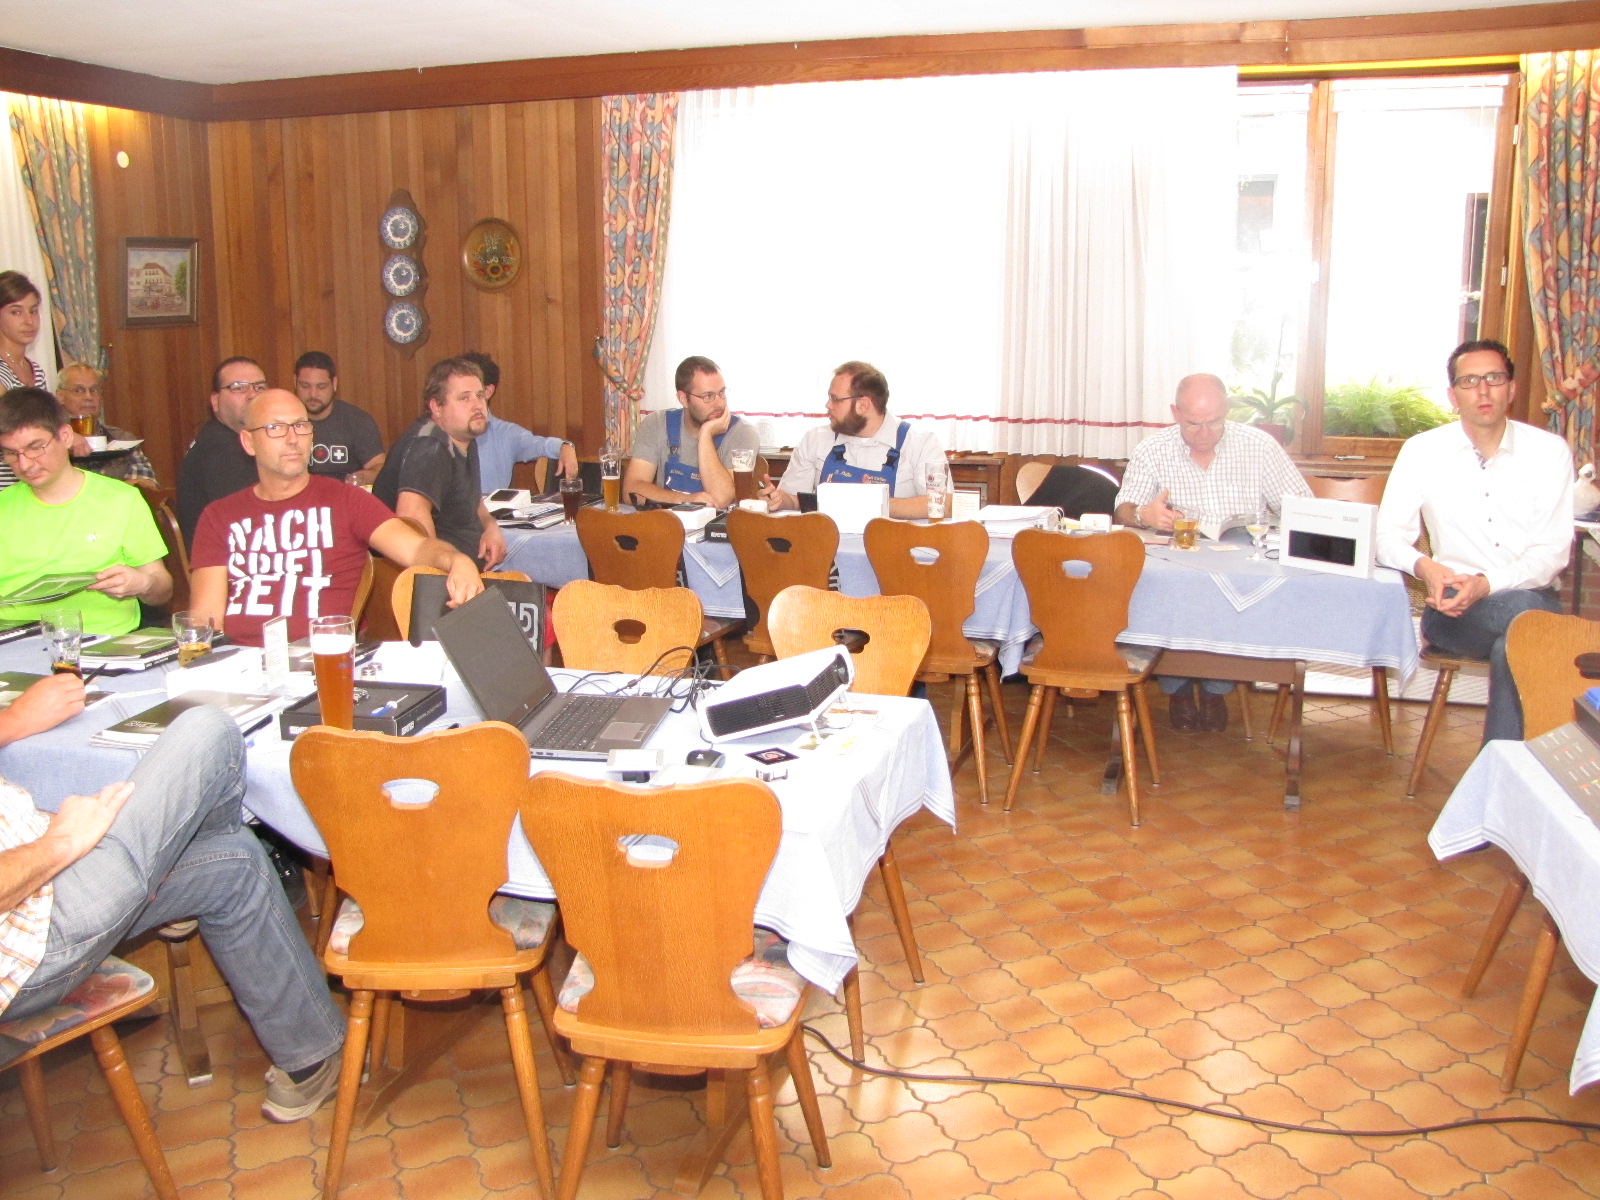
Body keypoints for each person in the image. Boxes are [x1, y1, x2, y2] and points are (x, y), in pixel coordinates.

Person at [0, 680, 345, 1121]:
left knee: (233, 862)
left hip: (32, 888)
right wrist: (61, 843)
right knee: (208, 726)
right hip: (33, 936)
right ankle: (166, 859)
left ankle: (311, 1059)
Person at [1377, 338, 1573, 743]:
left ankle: (1495, 769)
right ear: (1453, 396)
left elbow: (1552, 553)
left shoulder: (1549, 452)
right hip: (1452, 611)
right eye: (1469, 381)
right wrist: (1426, 568)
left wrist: (1486, 584)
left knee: (1515, 639)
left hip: (1529, 598)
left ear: (1511, 388)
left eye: (1494, 378)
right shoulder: (1422, 451)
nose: (1483, 391)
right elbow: (1386, 537)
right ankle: (1511, 770)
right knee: (1531, 624)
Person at [189, 390, 484, 645]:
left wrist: (457, 560)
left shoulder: (346, 501)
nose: (293, 439)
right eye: (275, 428)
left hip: (324, 661)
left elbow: (417, 548)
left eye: (301, 426)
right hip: (241, 662)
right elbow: (205, 621)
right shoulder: (219, 517)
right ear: (248, 442)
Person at [1114, 372, 1312, 733]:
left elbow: (1301, 506)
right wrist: (1144, 515)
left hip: (1239, 565)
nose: (1204, 433)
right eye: (1193, 424)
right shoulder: (1152, 449)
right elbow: (1123, 509)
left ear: (1228, 410)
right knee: (1162, 593)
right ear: (1176, 413)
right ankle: (1177, 689)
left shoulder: (1259, 446)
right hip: (1176, 563)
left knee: (1234, 593)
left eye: (1215, 422)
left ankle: (1216, 690)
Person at [0, 388, 172, 635]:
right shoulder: (4, 507)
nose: (24, 464)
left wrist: (143, 583)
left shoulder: (120, 499)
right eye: (11, 453)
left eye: (35, 447)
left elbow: (162, 589)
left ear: (65, 436)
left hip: (108, 639)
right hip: (17, 640)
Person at [763, 361, 947, 519]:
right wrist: (780, 500)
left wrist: (878, 504)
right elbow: (793, 501)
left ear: (863, 405)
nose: (828, 405)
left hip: (892, 548)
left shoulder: (920, 443)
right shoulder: (815, 440)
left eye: (835, 399)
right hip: (826, 548)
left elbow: (943, 504)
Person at [373, 357, 507, 567]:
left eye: (480, 396)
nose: (477, 405)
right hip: (442, 577)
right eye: (464, 398)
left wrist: (490, 526)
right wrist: (446, 572)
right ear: (436, 407)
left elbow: (470, 500)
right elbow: (412, 521)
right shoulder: (430, 447)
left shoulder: (463, 437)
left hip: (469, 568)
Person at [625, 356, 759, 508]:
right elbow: (631, 490)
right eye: (708, 396)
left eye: (722, 393)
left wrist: (705, 434)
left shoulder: (743, 433)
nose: (719, 403)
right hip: (667, 520)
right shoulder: (656, 423)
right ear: (683, 398)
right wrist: (686, 500)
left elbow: (721, 499)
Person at [177, 357, 270, 547]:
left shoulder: (221, 438)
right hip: (227, 559)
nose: (252, 394)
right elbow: (254, 523)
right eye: (239, 388)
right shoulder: (222, 451)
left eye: (260, 387)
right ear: (215, 401)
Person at [461, 351, 577, 493]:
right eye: (463, 396)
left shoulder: (505, 434)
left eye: (474, 393)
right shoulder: (441, 434)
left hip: (493, 508)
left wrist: (565, 446)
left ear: (487, 391)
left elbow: (539, 445)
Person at [55, 363, 159, 487]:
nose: (88, 397)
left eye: (94, 390)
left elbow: (147, 483)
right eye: (78, 390)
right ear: (60, 396)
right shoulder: (51, 441)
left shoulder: (123, 438)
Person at [293, 351, 386, 485]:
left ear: (334, 383)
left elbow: (380, 468)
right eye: (305, 386)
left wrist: (360, 478)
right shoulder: (282, 421)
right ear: (295, 382)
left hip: (345, 492)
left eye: (321, 386)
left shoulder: (357, 421)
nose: (313, 394)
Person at [0, 272, 48, 493]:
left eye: (33, 311)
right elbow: (13, 425)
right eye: (16, 312)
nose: (29, 321)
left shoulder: (35, 370)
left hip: (29, 484)